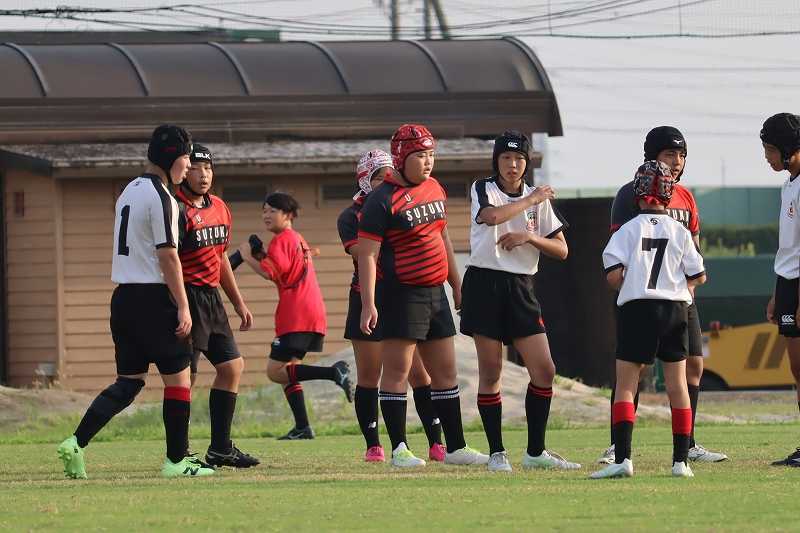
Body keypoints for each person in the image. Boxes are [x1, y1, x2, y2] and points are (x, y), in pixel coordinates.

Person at [57, 125, 215, 478]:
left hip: (124, 299)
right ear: (172, 158)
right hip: (155, 299)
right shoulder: (164, 198)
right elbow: (168, 256)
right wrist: (183, 305)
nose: (189, 166)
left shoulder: (129, 189)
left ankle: (76, 442)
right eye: (186, 158)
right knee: (179, 382)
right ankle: (177, 461)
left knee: (129, 382)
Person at [357, 124, 488, 467]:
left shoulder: (434, 188)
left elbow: (443, 238)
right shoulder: (380, 199)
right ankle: (400, 449)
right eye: (420, 155)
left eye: (431, 154)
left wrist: (457, 284)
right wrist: (368, 304)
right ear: (401, 158)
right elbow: (367, 255)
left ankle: (456, 447)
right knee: (398, 372)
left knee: (445, 373)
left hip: (435, 293)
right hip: (400, 294)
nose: (428, 162)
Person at [598, 126, 728, 465]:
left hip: (678, 298)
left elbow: (693, 246)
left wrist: (687, 290)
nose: (677, 161)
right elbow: (629, 250)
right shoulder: (629, 194)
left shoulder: (685, 196)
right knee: (636, 372)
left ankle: (688, 443)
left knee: (693, 367)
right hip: (645, 296)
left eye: (682, 155)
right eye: (671, 154)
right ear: (652, 155)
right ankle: (619, 446)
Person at [461, 130, 579, 473]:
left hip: (521, 287)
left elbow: (562, 249)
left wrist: (529, 236)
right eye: (506, 158)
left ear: (527, 163)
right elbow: (492, 217)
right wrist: (531, 200)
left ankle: (535, 452)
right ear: (496, 161)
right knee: (491, 370)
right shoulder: (484, 188)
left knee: (544, 370)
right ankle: (497, 452)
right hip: (484, 283)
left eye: (519, 159)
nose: (513, 165)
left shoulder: (537, 199)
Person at [592, 160, 706, 479]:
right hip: (675, 309)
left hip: (637, 308)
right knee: (677, 386)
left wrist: (631, 278)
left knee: (627, 385)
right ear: (668, 194)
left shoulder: (627, 230)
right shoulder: (680, 231)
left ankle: (623, 460)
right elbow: (699, 275)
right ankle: (681, 462)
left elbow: (613, 276)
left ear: (638, 194)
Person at [338, 149, 445, 463]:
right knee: (369, 374)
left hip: (402, 296)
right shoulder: (351, 216)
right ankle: (374, 445)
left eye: (389, 173)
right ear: (365, 181)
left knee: (419, 373)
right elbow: (366, 253)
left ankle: (436, 442)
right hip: (367, 296)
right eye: (378, 176)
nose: (387, 180)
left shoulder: (405, 201)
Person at [237, 192, 354, 440]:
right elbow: (282, 271)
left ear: (288, 215)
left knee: (275, 371)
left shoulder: (282, 239)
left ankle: (334, 373)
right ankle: (303, 427)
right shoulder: (296, 239)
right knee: (289, 372)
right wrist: (261, 255)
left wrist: (246, 257)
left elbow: (269, 273)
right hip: (311, 312)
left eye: (273, 211)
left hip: (296, 314)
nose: (266, 215)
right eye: (264, 210)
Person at [176, 144, 258, 468]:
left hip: (211, 299)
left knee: (232, 367)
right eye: (196, 168)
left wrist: (238, 303)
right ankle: (179, 453)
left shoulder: (220, 207)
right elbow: (167, 260)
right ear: (185, 172)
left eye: (208, 168)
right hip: (185, 296)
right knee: (186, 377)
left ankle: (221, 448)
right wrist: (178, 304)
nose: (203, 174)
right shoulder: (176, 209)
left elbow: (221, 256)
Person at [761, 112, 800, 467]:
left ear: (790, 149)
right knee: (797, 368)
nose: (768, 157)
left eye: (771, 150)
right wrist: (778, 292)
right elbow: (788, 247)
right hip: (787, 283)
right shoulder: (789, 184)